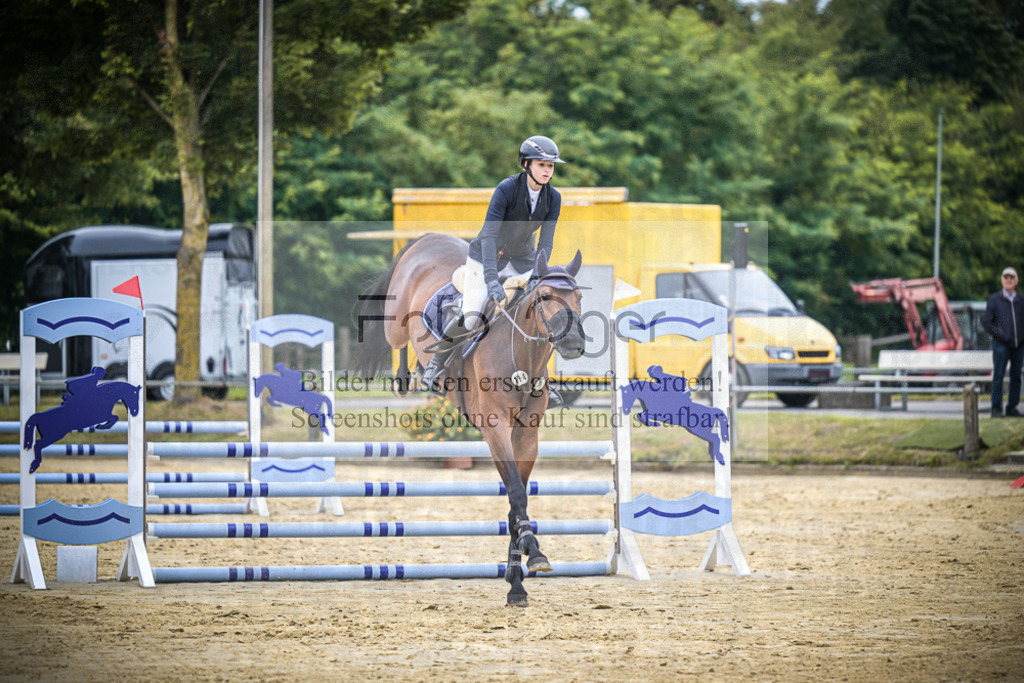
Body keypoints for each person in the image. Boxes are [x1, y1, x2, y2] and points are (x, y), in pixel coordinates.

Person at [420, 135, 565, 391]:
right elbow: (489, 235)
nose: (547, 171)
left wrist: (536, 277)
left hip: (523, 261)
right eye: (542, 164)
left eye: (550, 166)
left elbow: (546, 244)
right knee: (473, 313)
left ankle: (541, 380)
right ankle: (436, 364)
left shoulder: (553, 198)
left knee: (538, 313)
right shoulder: (507, 189)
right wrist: (490, 280)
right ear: (526, 164)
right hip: (486, 257)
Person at [981, 267, 1024, 417]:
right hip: (1001, 346)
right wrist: (1001, 335)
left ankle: (1012, 407)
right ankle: (996, 408)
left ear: (1016, 281)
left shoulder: (1021, 300)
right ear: (1002, 280)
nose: (1008, 279)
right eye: (1006, 277)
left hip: (1019, 346)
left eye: (1011, 277)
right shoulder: (994, 300)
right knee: (998, 376)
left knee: (1016, 377)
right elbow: (986, 322)